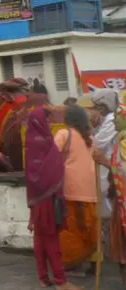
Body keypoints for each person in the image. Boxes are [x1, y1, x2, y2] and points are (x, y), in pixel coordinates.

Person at [25, 107, 77, 290]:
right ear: (40, 122)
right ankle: (60, 280)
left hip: (38, 195)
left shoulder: (33, 140)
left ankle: (43, 277)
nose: (51, 124)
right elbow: (45, 169)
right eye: (48, 121)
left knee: (40, 238)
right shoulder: (42, 142)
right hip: (46, 196)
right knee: (50, 238)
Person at [54, 105, 100, 271]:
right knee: (91, 228)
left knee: (71, 230)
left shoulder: (64, 134)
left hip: (70, 189)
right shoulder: (90, 137)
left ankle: (69, 262)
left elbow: (50, 156)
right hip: (90, 190)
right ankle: (95, 261)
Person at [86, 89, 118, 265]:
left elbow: (96, 145)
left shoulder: (112, 122)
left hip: (112, 174)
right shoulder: (106, 122)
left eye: (96, 107)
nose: (93, 111)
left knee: (109, 215)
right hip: (107, 174)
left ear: (103, 107)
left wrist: (89, 129)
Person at [107, 103, 126, 285]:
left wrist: (103, 161)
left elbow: (121, 171)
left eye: (117, 115)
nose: (114, 119)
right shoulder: (119, 139)